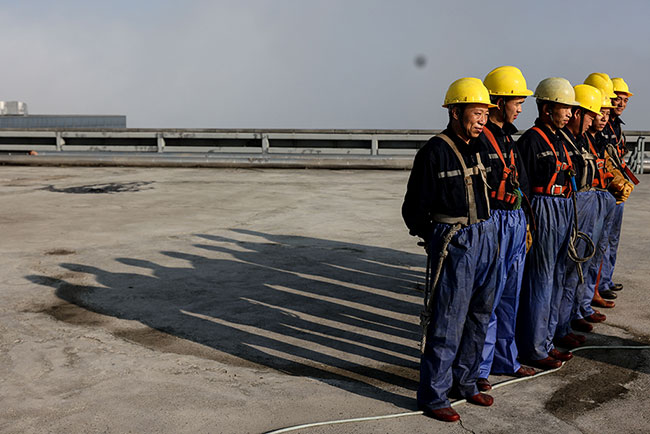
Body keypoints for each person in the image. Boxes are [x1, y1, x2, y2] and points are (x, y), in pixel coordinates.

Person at [402, 77, 499, 422]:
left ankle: (467, 382)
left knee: (480, 314)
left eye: (486, 114)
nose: (483, 120)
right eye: (477, 113)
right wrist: (438, 240)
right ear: (455, 112)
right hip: (454, 241)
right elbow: (412, 210)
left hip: (486, 235)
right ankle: (434, 395)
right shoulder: (434, 152)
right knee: (448, 320)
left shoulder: (483, 146)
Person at [475, 66, 535, 392]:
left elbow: (520, 182)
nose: (520, 108)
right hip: (493, 222)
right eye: (516, 101)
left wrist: (525, 222)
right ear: (499, 102)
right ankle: (480, 368)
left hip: (514, 220)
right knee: (489, 298)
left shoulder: (507, 138)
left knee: (510, 296)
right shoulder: (481, 141)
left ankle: (505, 360)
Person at [514, 77, 577, 370]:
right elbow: (523, 184)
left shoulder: (559, 138)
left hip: (563, 206)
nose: (569, 113)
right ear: (546, 108)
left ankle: (547, 340)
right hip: (543, 207)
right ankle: (534, 347)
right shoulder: (531, 139)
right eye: (563, 108)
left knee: (557, 276)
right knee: (540, 278)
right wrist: (527, 221)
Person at [553, 84, 616, 349]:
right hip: (571, 206)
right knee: (563, 271)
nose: (599, 118)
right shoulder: (551, 139)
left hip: (591, 202)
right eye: (593, 113)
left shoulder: (584, 139)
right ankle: (557, 328)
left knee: (582, 264)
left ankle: (571, 317)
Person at [570, 91, 618, 333]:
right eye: (597, 113)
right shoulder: (573, 140)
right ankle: (575, 312)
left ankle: (584, 304)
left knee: (594, 254)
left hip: (597, 200)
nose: (600, 118)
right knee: (574, 263)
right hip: (581, 203)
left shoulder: (593, 139)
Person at [596, 75, 636, 300]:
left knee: (612, 238)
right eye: (616, 99)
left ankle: (606, 280)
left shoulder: (616, 127)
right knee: (602, 239)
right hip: (606, 190)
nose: (619, 104)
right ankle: (598, 285)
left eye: (624, 100)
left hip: (617, 191)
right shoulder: (601, 125)